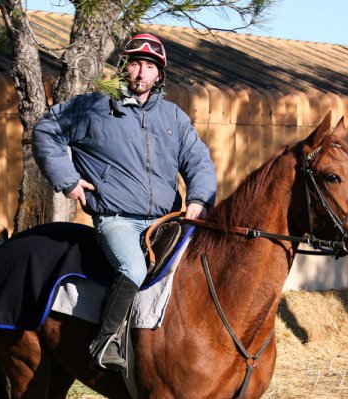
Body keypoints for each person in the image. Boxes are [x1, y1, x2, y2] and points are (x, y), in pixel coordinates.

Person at [32, 33, 217, 372]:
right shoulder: (93, 108)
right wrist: (68, 180)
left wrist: (200, 198)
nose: (141, 73)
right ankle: (104, 342)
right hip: (117, 218)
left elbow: (199, 161)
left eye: (149, 67)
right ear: (123, 69)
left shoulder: (173, 118)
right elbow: (46, 130)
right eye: (134, 64)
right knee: (132, 268)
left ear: (159, 75)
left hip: (167, 219)